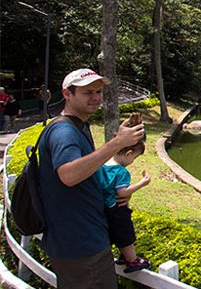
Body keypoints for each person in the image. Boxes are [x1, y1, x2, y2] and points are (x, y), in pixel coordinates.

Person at [37, 68, 145, 288]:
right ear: (67, 94)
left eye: (98, 92)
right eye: (87, 93)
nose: (96, 97)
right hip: (81, 246)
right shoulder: (64, 132)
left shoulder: (79, 126)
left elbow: (86, 174)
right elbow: (69, 175)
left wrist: (115, 195)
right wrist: (116, 144)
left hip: (81, 240)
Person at [97, 137, 151, 273]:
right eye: (134, 158)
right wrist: (142, 184)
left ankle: (123, 256)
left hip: (104, 208)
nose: (133, 162)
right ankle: (132, 261)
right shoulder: (121, 172)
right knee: (126, 234)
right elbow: (122, 193)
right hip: (118, 209)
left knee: (115, 233)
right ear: (128, 154)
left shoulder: (102, 165)